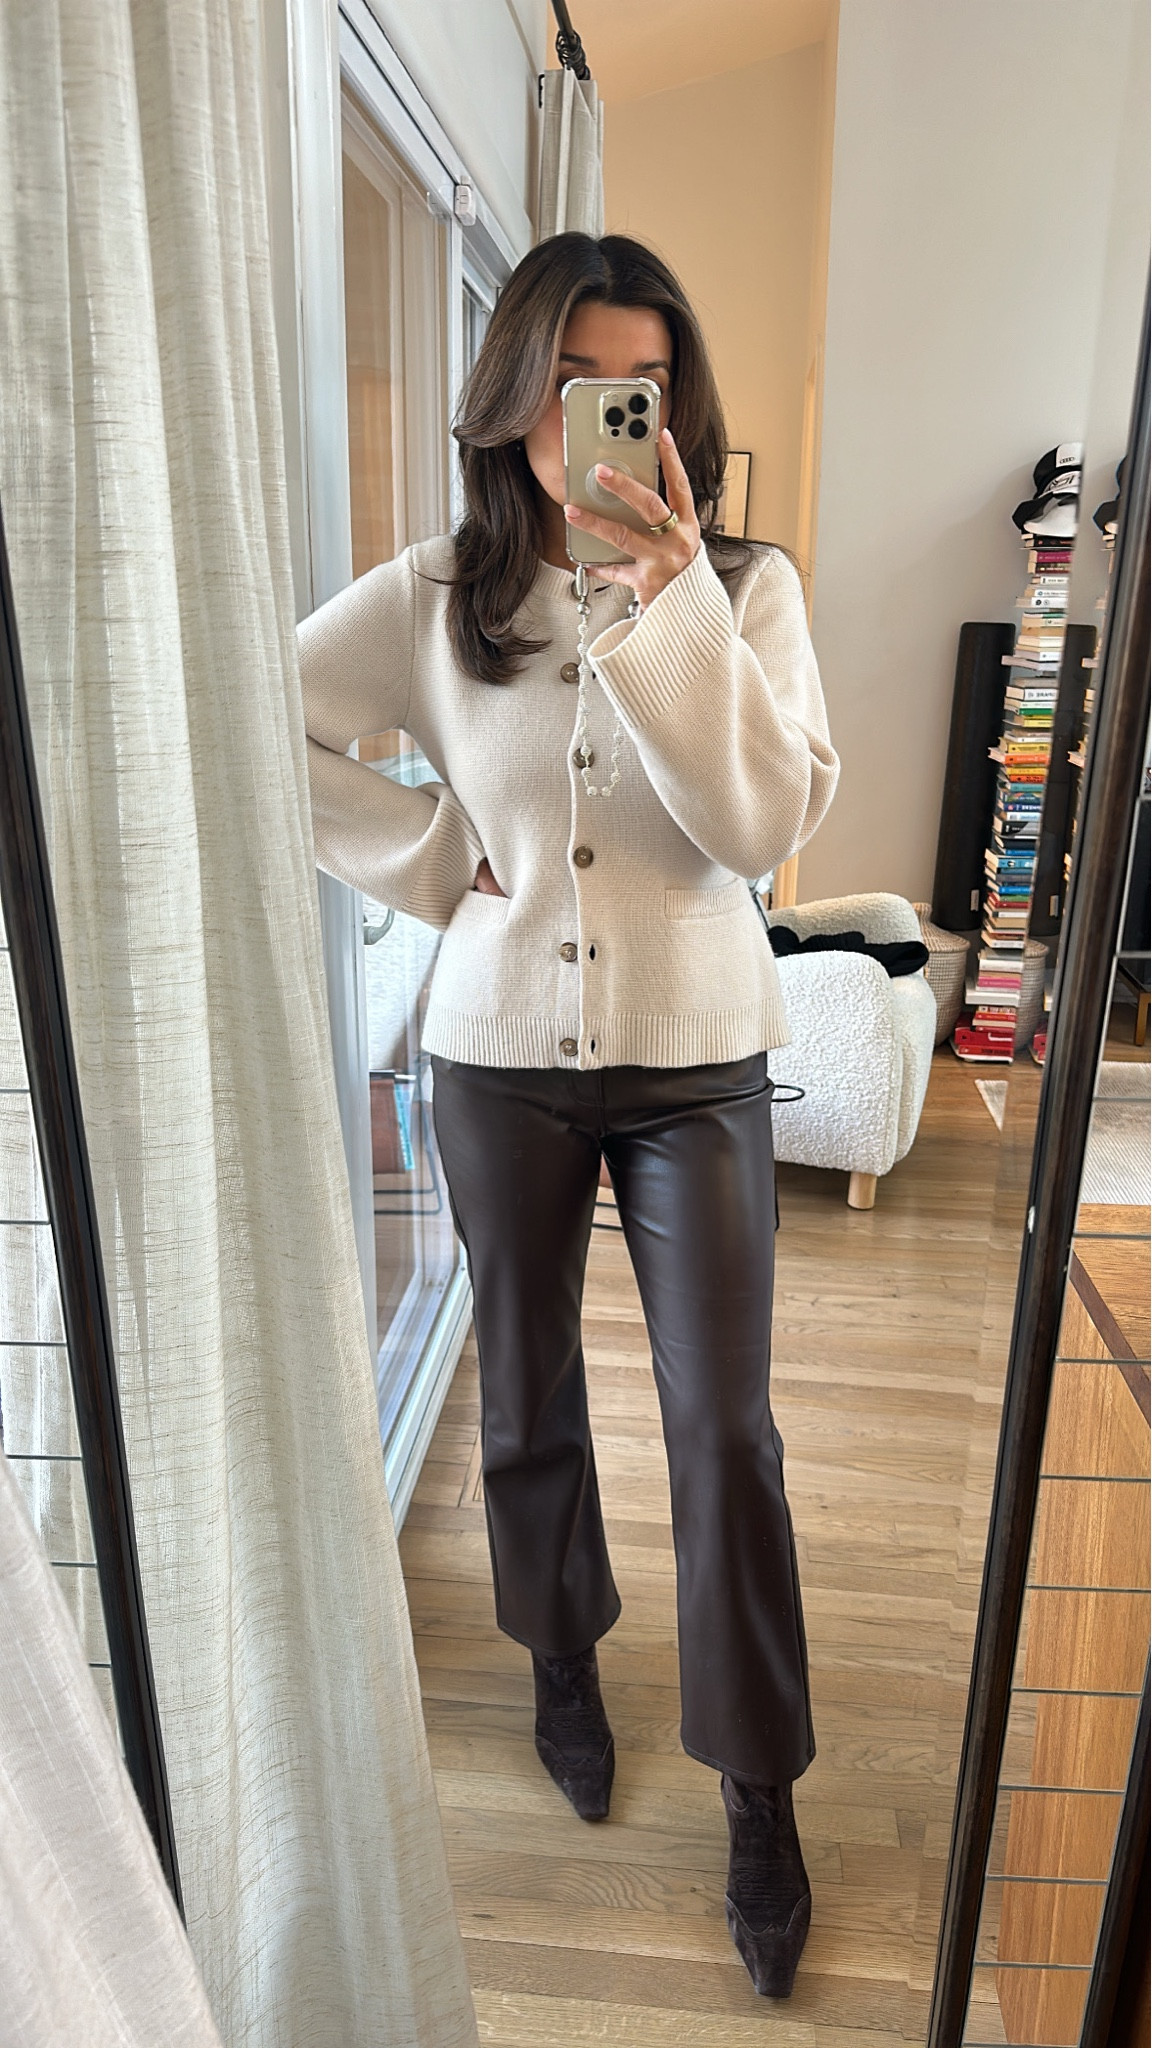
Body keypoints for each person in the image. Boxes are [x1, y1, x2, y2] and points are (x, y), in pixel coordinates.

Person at [298, 232, 839, 1999]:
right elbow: (261, 715)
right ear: (515, 394)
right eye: (573, 381)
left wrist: (674, 608)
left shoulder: (746, 588)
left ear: (677, 405)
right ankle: (559, 1659)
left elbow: (760, 829)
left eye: (642, 385)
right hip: (499, 1055)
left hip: (698, 1055)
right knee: (524, 1393)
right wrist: (426, 855)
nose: (604, 415)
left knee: (725, 1431)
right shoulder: (438, 596)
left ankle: (759, 1786)